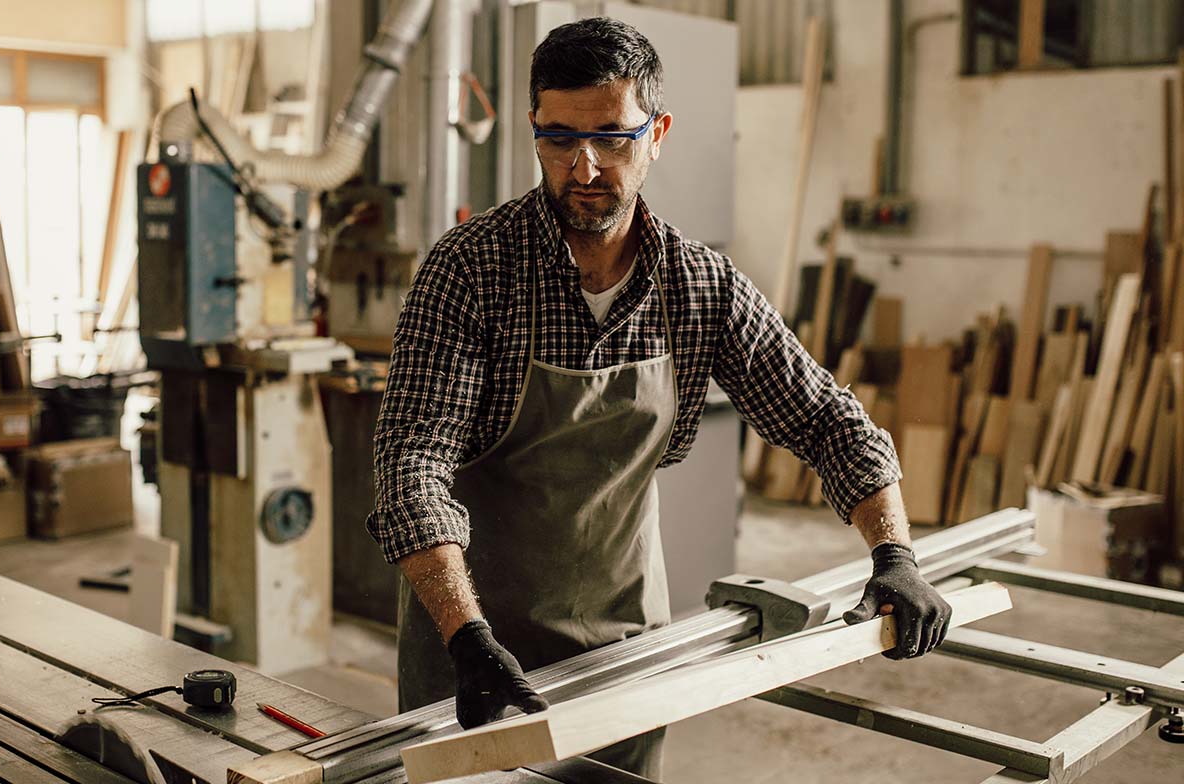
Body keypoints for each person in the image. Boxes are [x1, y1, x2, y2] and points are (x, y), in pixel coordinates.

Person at [367, 16, 951, 778]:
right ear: (532, 131)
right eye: (557, 138)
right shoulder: (472, 272)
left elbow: (827, 420)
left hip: (624, 650)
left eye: (612, 136)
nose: (583, 167)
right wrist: (465, 635)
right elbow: (411, 464)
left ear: (658, 132)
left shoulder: (699, 286)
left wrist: (895, 553)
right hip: (473, 649)